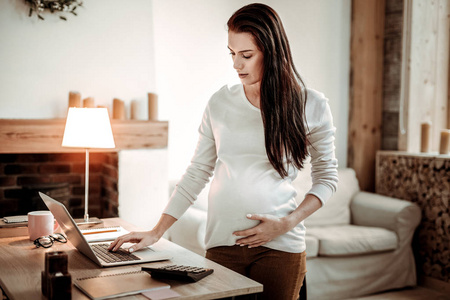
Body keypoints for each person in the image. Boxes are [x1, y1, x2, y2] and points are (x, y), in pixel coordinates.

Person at [109, 3, 338, 299]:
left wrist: (286, 223)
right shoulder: (220, 103)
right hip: (222, 245)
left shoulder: (312, 104)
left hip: (280, 247)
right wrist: (157, 231)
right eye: (232, 53)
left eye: (246, 55)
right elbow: (197, 172)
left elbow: (327, 178)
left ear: (272, 52)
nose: (236, 64)